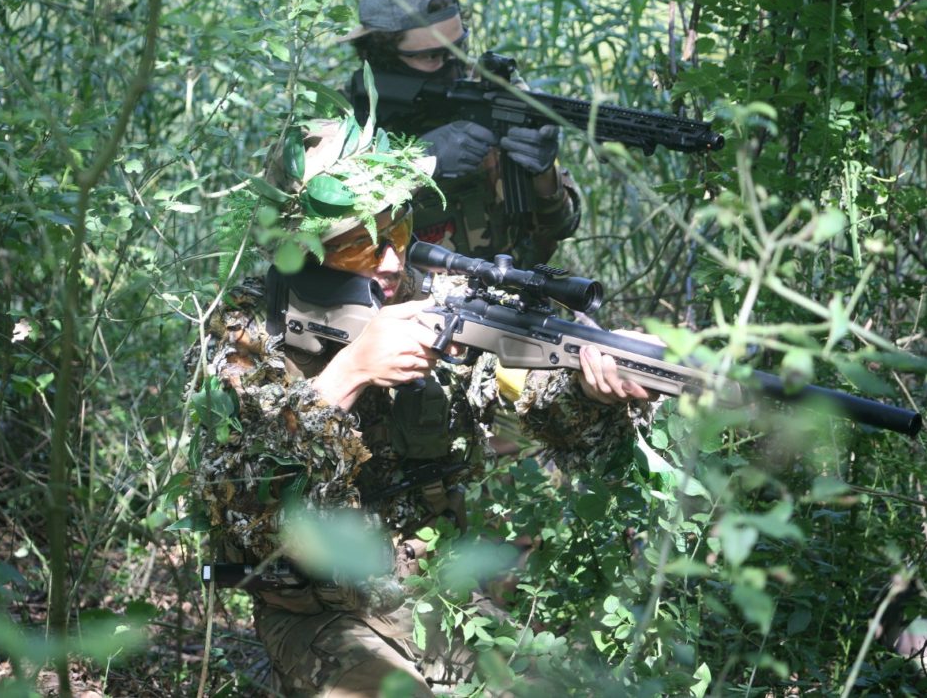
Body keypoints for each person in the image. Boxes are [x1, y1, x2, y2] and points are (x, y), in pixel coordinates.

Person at [189, 120, 653, 695]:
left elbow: (535, 403)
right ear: (295, 249)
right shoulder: (247, 335)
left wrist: (590, 386)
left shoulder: (433, 300)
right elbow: (244, 516)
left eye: (399, 230)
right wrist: (348, 375)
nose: (388, 261)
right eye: (358, 244)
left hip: (442, 599)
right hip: (322, 616)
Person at [339, 0, 581, 266]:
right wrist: (417, 164)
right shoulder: (342, 120)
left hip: (510, 294)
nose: (453, 64)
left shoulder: (493, 93)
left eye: (460, 46)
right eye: (432, 56)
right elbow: (314, 237)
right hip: (406, 305)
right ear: (380, 54)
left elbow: (562, 226)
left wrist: (545, 174)